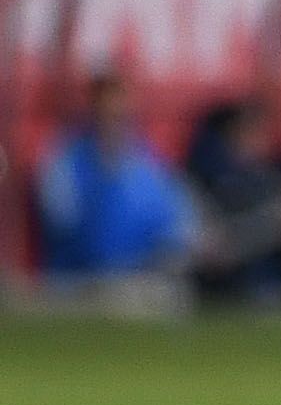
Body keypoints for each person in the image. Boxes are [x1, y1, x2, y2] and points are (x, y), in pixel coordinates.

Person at [37, 70, 197, 293]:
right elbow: (63, 222)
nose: (115, 116)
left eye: (121, 109)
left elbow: (180, 221)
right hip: (79, 281)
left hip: (139, 278)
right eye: (107, 109)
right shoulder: (66, 159)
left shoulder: (149, 160)